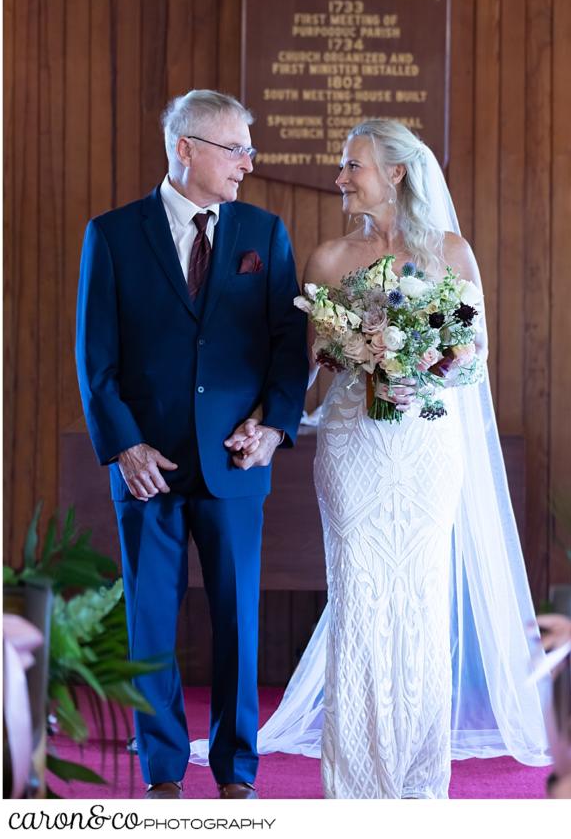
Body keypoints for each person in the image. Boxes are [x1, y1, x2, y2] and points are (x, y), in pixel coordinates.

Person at [196, 118, 550, 798]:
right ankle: (355, 781)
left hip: (426, 447)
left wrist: (424, 365)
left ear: (395, 174)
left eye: (351, 165)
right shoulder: (328, 259)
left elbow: (472, 359)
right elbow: (302, 367)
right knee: (360, 594)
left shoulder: (452, 252)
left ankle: (418, 780)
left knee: (420, 599)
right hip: (354, 442)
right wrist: (266, 423)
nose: (339, 178)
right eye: (339, 166)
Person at [75, 90, 308, 799]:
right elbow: (96, 358)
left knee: (238, 619)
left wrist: (274, 426)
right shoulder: (112, 235)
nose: (248, 162)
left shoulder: (263, 233)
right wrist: (124, 449)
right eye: (235, 148)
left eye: (248, 148)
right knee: (150, 620)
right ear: (186, 149)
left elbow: (287, 345)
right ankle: (163, 773)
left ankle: (238, 775)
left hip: (235, 464)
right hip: (147, 467)